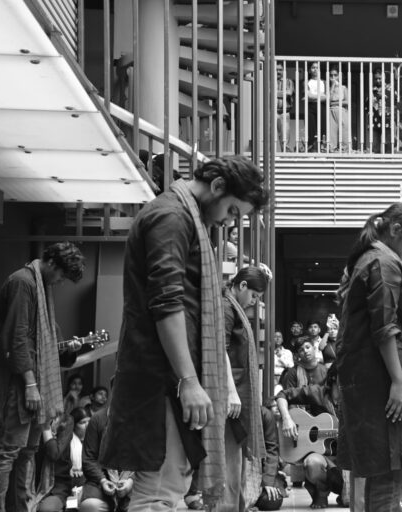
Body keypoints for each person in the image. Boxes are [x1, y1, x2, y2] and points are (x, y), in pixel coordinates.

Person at [99, 156, 268, 511]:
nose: (229, 222)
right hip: (164, 381)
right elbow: (167, 303)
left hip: (165, 379)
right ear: (217, 186)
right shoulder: (172, 217)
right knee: (159, 494)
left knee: (168, 489)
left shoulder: (180, 216)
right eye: (232, 211)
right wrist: (189, 381)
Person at [335, 202, 402, 509]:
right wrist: (398, 382)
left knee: (389, 472)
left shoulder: (370, 258)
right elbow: (385, 328)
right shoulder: (383, 262)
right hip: (381, 379)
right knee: (392, 472)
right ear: (395, 230)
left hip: (369, 377)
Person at [0, 242, 86, 512]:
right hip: (18, 384)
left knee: (27, 452)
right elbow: (17, 338)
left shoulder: (41, 288)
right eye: (61, 275)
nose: (61, 282)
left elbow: (43, 343)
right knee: (6, 452)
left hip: (35, 384)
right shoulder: (23, 282)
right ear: (51, 263)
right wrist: (30, 383)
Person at [221, 265, 271, 511]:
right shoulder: (226, 307)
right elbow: (220, 350)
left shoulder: (234, 307)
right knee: (229, 469)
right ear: (242, 285)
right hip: (230, 396)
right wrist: (230, 391)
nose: (254, 301)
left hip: (238, 396)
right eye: (253, 295)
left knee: (236, 468)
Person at [276, 366, 344, 509]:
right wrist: (287, 418)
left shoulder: (355, 398)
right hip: (321, 456)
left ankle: (344, 492)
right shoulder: (317, 393)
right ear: (334, 377)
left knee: (349, 501)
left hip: (345, 459)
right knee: (312, 463)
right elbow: (282, 395)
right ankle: (321, 492)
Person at [37, 407, 93, 512]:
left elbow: (54, 453)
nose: (87, 425)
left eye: (89, 421)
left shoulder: (94, 440)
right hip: (54, 484)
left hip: (73, 485)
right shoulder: (68, 440)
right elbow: (53, 454)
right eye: (82, 422)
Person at [80, 407, 134, 512]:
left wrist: (130, 482)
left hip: (136, 481)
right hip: (101, 480)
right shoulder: (98, 419)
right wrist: (102, 480)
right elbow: (88, 459)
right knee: (90, 506)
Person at [368, 68, 397, 154]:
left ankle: (389, 162)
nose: (378, 80)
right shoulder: (372, 90)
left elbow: (395, 102)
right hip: (374, 120)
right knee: (375, 146)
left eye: (379, 78)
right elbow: (367, 105)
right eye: (376, 78)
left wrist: (384, 96)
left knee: (388, 145)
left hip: (387, 120)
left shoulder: (390, 88)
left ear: (384, 77)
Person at [306, 62, 327, 152]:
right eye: (313, 67)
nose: (315, 69)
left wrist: (313, 97)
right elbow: (308, 96)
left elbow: (326, 97)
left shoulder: (324, 82)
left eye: (317, 67)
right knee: (311, 128)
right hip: (310, 107)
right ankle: (311, 148)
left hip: (322, 106)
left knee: (323, 128)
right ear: (309, 70)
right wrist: (320, 96)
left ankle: (322, 148)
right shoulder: (307, 82)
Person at [328, 70, 351, 152]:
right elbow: (328, 101)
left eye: (335, 75)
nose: (333, 77)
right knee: (331, 132)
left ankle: (345, 150)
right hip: (331, 111)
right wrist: (333, 86)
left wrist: (334, 103)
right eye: (331, 75)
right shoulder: (329, 88)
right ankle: (332, 149)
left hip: (342, 111)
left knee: (344, 131)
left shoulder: (343, 88)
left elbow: (347, 102)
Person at [276, 62, 294, 152]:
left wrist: (276, 93)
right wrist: (284, 92)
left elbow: (289, 93)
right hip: (273, 111)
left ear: (284, 71)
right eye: (276, 69)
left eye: (280, 70)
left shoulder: (289, 81)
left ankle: (284, 153)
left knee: (285, 135)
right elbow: (269, 92)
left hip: (285, 112)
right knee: (273, 135)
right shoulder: (270, 80)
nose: (278, 71)